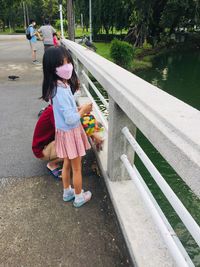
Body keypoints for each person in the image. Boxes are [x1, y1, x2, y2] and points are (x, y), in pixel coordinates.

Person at [42, 46, 93, 208]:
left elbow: (65, 112)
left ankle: (67, 192)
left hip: (63, 133)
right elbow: (71, 119)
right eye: (62, 63)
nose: (68, 66)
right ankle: (79, 197)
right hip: (71, 133)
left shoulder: (55, 87)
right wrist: (84, 110)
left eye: (68, 61)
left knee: (66, 164)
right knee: (77, 168)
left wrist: (77, 109)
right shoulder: (61, 91)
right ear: (53, 68)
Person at [32, 105, 63, 179]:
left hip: (44, 145)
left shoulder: (54, 108)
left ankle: (56, 155)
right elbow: (65, 130)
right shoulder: (53, 112)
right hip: (42, 151)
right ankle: (51, 164)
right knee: (74, 148)